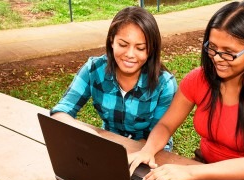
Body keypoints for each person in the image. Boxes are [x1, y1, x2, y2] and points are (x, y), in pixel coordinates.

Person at [128, 1, 244, 180]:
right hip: (203, 167)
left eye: (229, 53)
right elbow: (166, 125)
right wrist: (148, 149)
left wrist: (188, 172)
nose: (217, 58)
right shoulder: (199, 79)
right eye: (212, 48)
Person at [50, 6, 177, 151]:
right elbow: (60, 112)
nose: (130, 54)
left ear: (151, 49)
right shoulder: (94, 69)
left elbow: (158, 134)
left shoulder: (165, 84)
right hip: (108, 146)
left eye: (140, 48)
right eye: (123, 45)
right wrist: (91, 136)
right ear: (111, 41)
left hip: (151, 151)